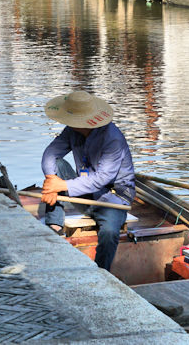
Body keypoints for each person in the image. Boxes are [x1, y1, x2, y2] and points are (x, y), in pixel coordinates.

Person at [40, 90, 135, 270]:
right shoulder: (72, 131)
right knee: (57, 166)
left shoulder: (112, 139)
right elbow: (51, 153)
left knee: (109, 233)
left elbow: (102, 178)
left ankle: (102, 273)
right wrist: (51, 180)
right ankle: (54, 225)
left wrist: (62, 185)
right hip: (85, 191)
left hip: (113, 197)